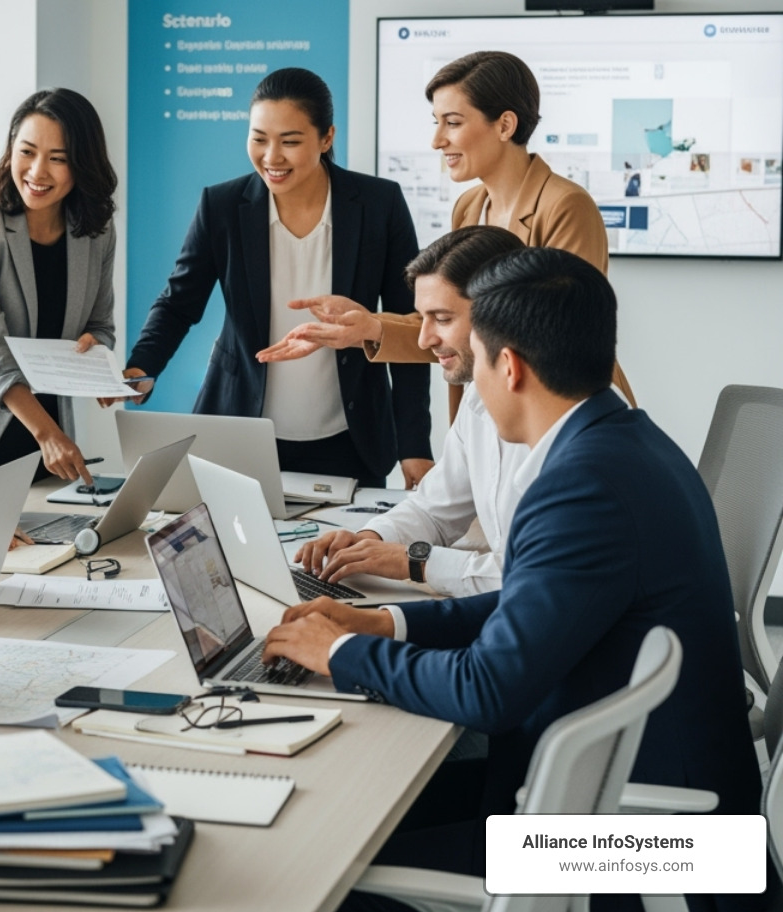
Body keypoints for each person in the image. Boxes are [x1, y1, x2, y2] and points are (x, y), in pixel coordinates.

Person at [265, 248, 758, 902]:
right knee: (357, 819)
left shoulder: (583, 487)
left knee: (314, 867)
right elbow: (522, 607)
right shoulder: (621, 443)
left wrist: (340, 653)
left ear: (509, 366)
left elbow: (485, 690)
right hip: (635, 803)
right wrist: (384, 621)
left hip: (659, 850)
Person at [259, 50, 634, 408]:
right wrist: (368, 326)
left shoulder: (564, 206)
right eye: (436, 123)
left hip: (556, 410)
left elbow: (559, 336)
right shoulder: (469, 206)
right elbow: (452, 323)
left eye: (452, 123)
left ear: (505, 125)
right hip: (491, 408)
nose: (437, 140)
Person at [121, 68, 432, 488]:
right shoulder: (223, 206)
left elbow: (410, 325)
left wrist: (415, 445)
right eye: (259, 138)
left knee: (343, 552)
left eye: (290, 141)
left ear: (326, 138)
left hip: (351, 437)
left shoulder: (379, 205)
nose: (271, 157)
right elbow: (179, 302)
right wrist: (142, 366)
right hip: (241, 431)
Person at [298, 227, 526, 596]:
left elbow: (537, 577)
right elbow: (435, 508)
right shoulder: (477, 398)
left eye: (443, 318)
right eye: (422, 318)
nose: (424, 340)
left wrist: (415, 562)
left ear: (502, 312)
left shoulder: (566, 421)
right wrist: (367, 541)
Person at [0, 88, 118, 484]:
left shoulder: (96, 232)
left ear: (83, 164)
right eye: (27, 151)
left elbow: (100, 325)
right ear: (11, 149)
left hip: (49, 423)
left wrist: (96, 359)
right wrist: (46, 433)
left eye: (58, 158)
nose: (37, 171)